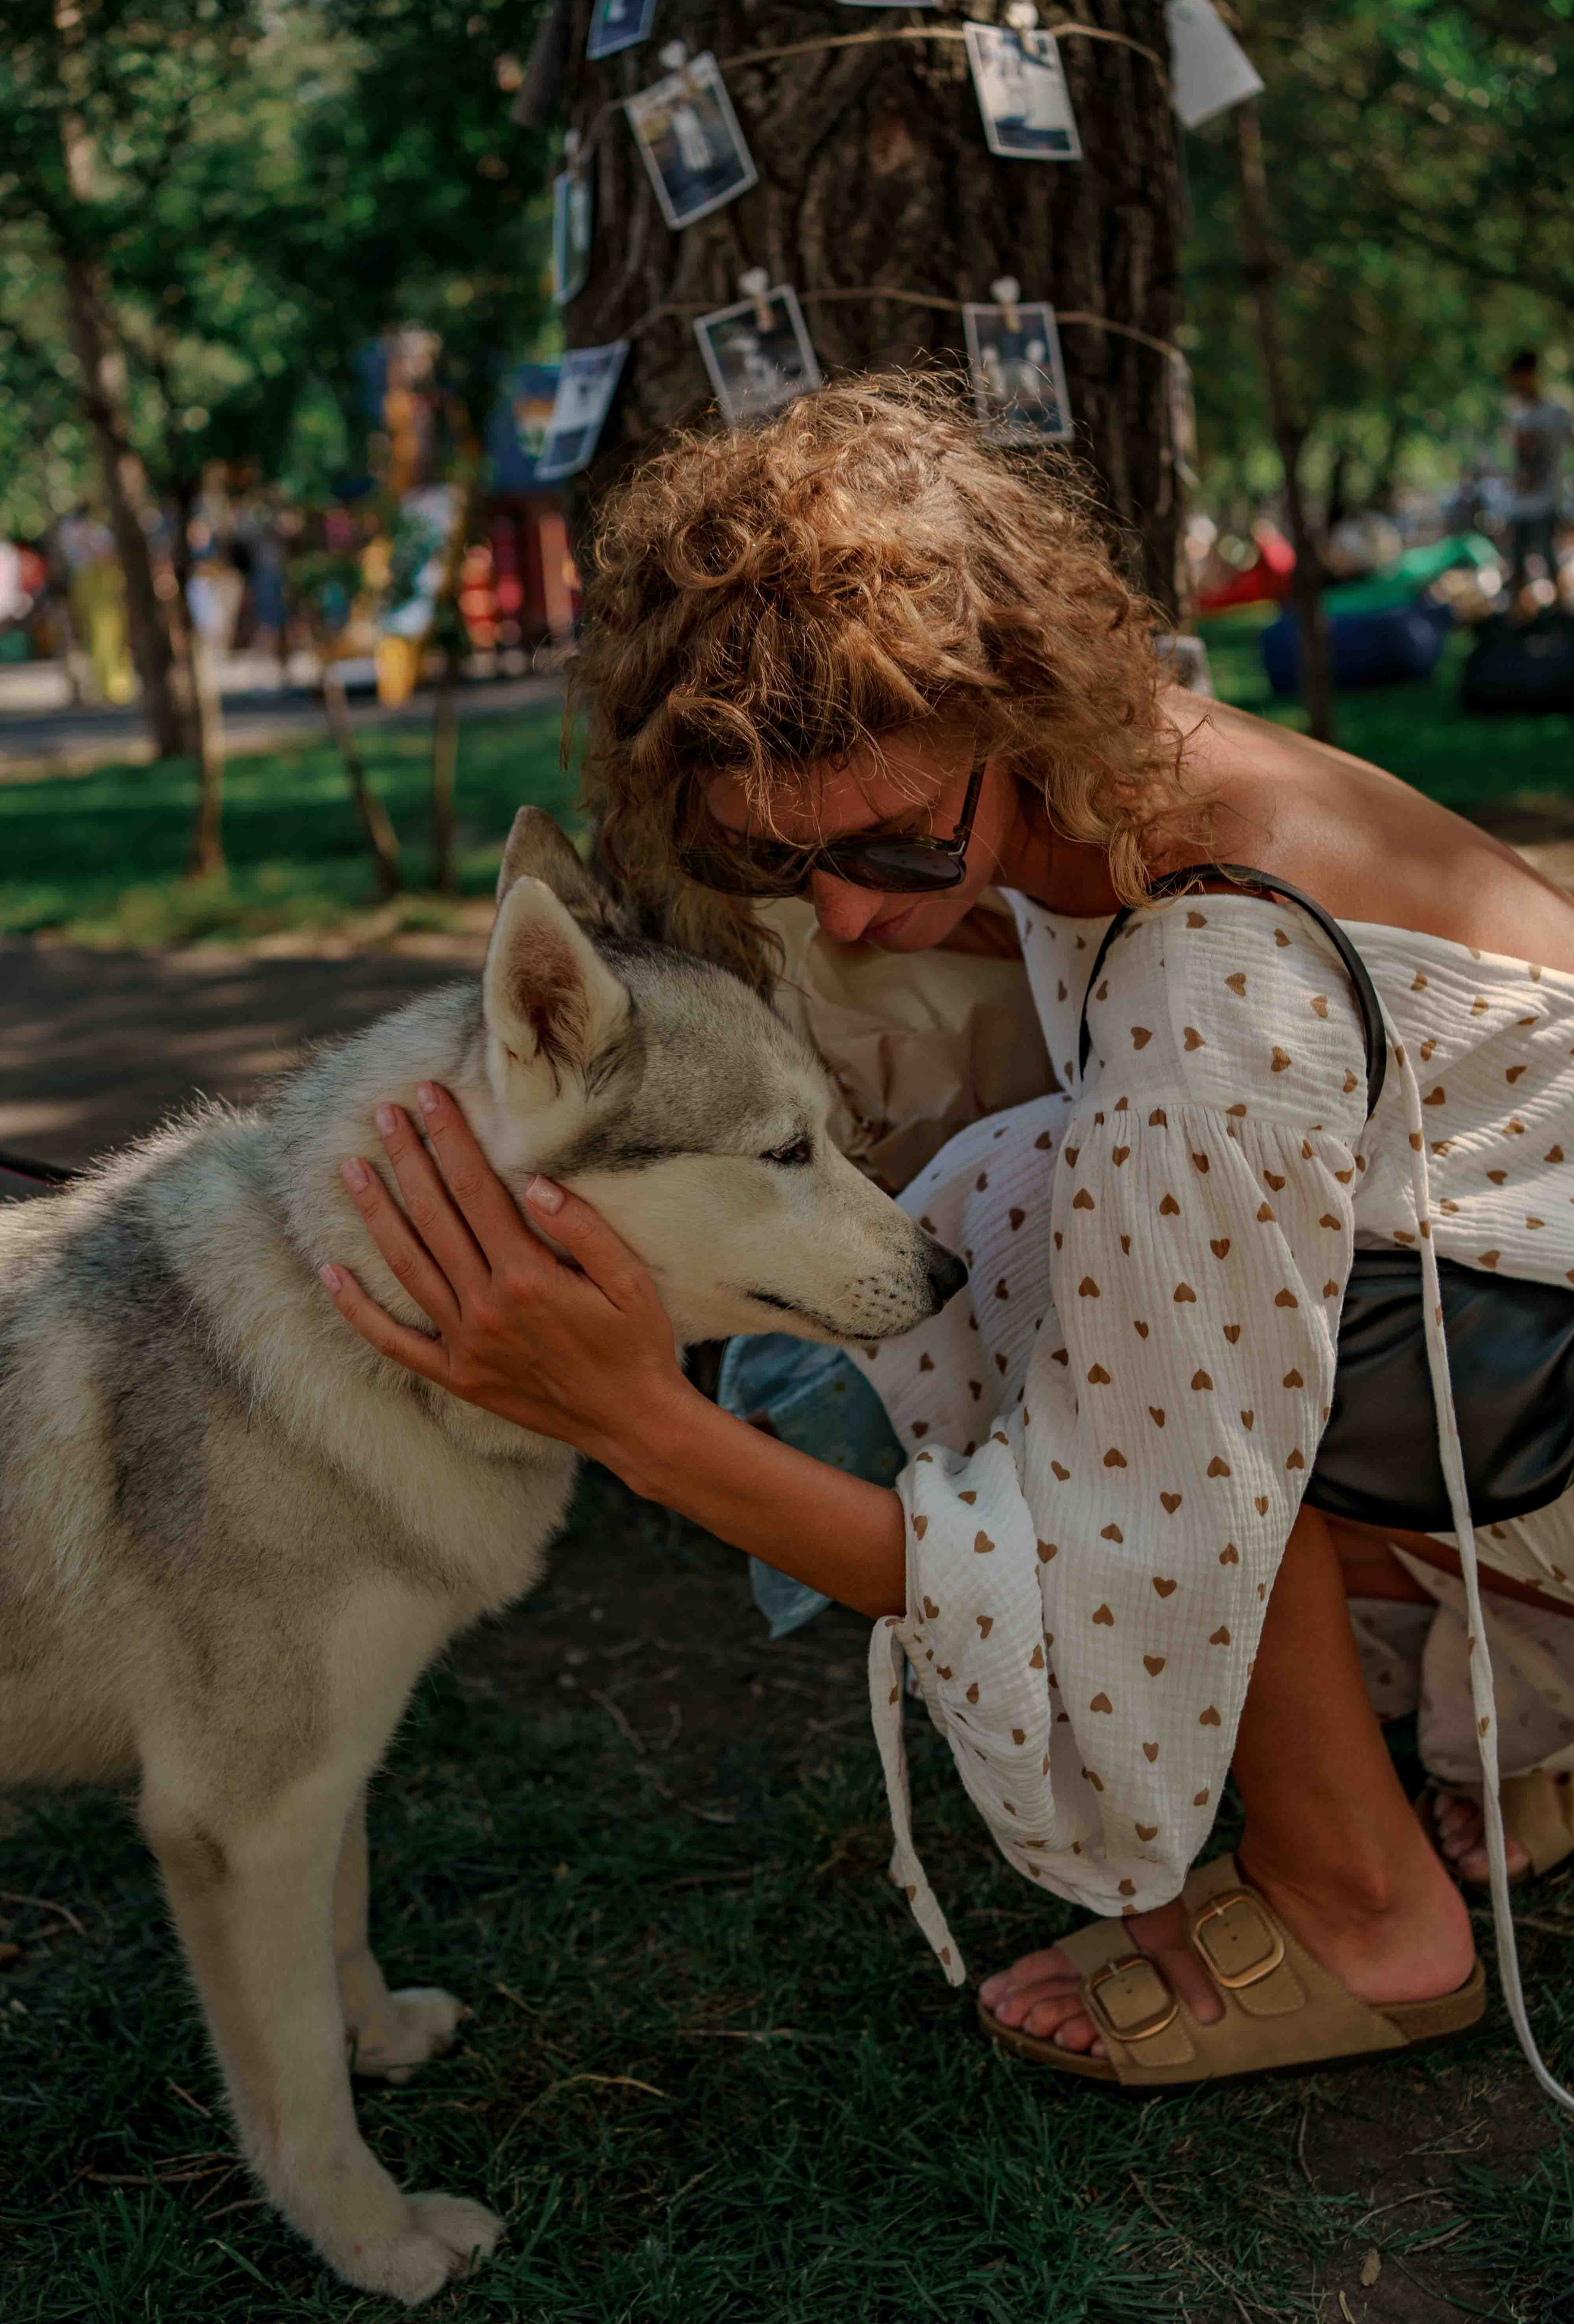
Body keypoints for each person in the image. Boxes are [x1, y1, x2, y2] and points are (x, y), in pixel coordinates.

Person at [320, 377, 1574, 2093]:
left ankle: (1372, 1913)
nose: (846, 909)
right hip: (1520, 1326)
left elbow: (1135, 1533)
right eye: (773, 862)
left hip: (1536, 1387)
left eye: (894, 843)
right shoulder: (1124, 772)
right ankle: (1503, 1695)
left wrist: (636, 1422)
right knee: (1034, 1221)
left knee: (1097, 1292)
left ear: (1007, 698)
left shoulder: (1215, 984)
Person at [1503, 349, 1571, 606]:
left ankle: (1561, 611)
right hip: (1521, 502)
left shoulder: (1555, 412)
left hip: (1547, 498)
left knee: (1547, 555)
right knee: (1517, 557)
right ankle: (1517, 614)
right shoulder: (1517, 413)